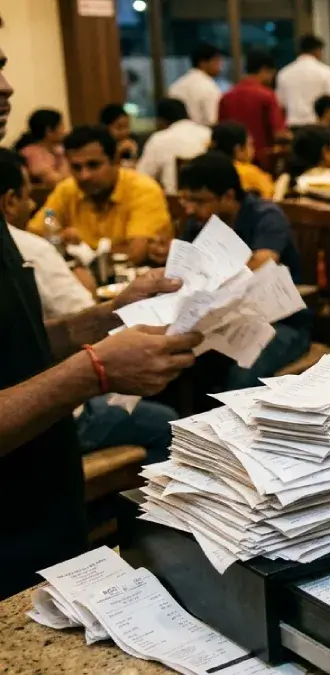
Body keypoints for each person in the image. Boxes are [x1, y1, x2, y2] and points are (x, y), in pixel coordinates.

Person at [0, 47, 200, 597]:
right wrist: (93, 372)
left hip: (44, 503)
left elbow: (15, 342)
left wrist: (100, 318)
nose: (8, 86)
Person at [177, 152, 312, 390]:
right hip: (222, 321)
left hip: (280, 322)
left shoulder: (265, 216)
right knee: (175, 361)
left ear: (229, 196)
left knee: (241, 375)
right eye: (186, 200)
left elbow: (260, 265)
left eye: (199, 201)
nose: (189, 209)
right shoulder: (197, 223)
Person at [30, 126, 171, 265]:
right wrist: (60, 239)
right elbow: (31, 238)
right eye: (76, 167)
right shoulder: (67, 189)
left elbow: (136, 254)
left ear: (115, 161)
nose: (84, 176)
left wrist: (77, 250)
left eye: (93, 165)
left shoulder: (143, 189)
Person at [2, 149, 95, 317]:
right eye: (27, 196)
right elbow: (86, 316)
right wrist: (88, 287)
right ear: (10, 201)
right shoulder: (30, 249)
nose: (31, 205)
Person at [219, 49, 288, 169]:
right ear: (264, 70)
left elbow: (220, 130)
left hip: (231, 164)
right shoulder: (267, 95)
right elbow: (279, 134)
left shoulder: (226, 96)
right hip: (262, 162)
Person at [136, 98, 212, 194]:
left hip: (173, 204)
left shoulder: (159, 139)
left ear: (161, 120)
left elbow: (142, 177)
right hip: (210, 202)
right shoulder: (208, 133)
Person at [276, 34, 330, 128]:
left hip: (294, 125)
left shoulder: (284, 73)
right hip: (318, 125)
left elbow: (280, 104)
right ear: (317, 50)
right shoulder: (325, 71)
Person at [210, 121, 276, 199]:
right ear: (238, 149)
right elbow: (271, 197)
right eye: (250, 144)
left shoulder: (205, 169)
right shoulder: (249, 173)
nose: (253, 150)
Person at [167, 42, 223, 126]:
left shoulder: (176, 86)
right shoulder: (209, 87)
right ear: (203, 63)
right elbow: (213, 121)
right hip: (204, 136)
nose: (220, 66)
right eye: (216, 61)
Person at [14, 108, 68, 185]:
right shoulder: (32, 153)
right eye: (61, 126)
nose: (64, 130)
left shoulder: (58, 150)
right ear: (49, 131)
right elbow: (54, 181)